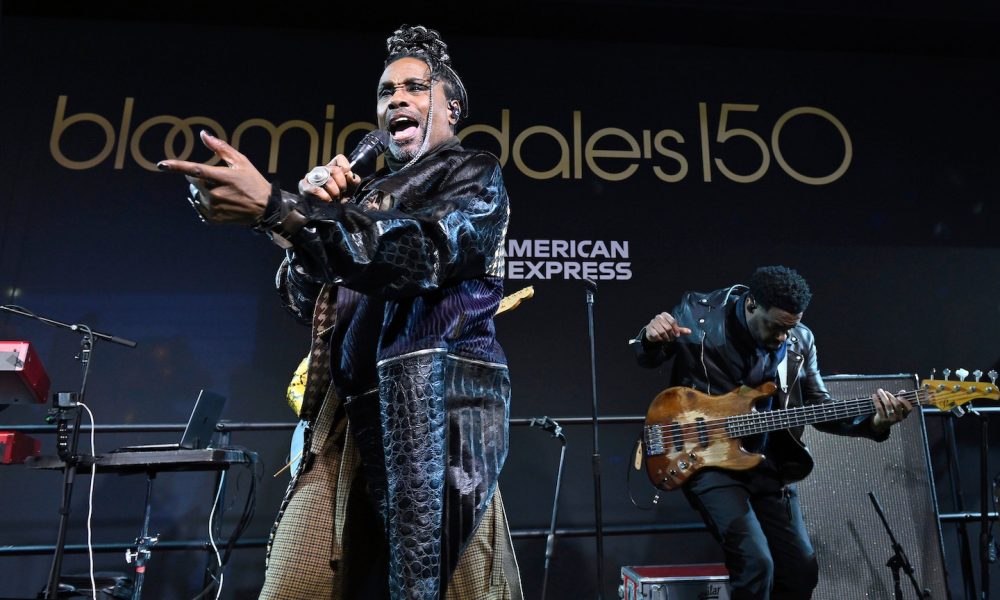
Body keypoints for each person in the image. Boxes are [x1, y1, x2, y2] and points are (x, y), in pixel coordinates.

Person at [157, 24, 521, 600]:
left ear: (452, 106)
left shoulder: (471, 172)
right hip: (342, 421)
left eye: (415, 87)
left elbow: (423, 253)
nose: (396, 99)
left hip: (435, 414)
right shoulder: (359, 196)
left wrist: (283, 211)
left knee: (446, 586)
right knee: (292, 587)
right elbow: (300, 298)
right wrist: (310, 215)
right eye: (385, 91)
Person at [629, 265, 912, 600]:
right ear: (751, 305)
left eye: (789, 328)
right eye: (776, 327)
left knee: (801, 572)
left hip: (768, 465)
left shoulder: (800, 340)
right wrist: (649, 336)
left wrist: (876, 424)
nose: (782, 336)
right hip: (707, 460)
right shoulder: (698, 313)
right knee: (755, 564)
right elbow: (649, 356)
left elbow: (820, 408)